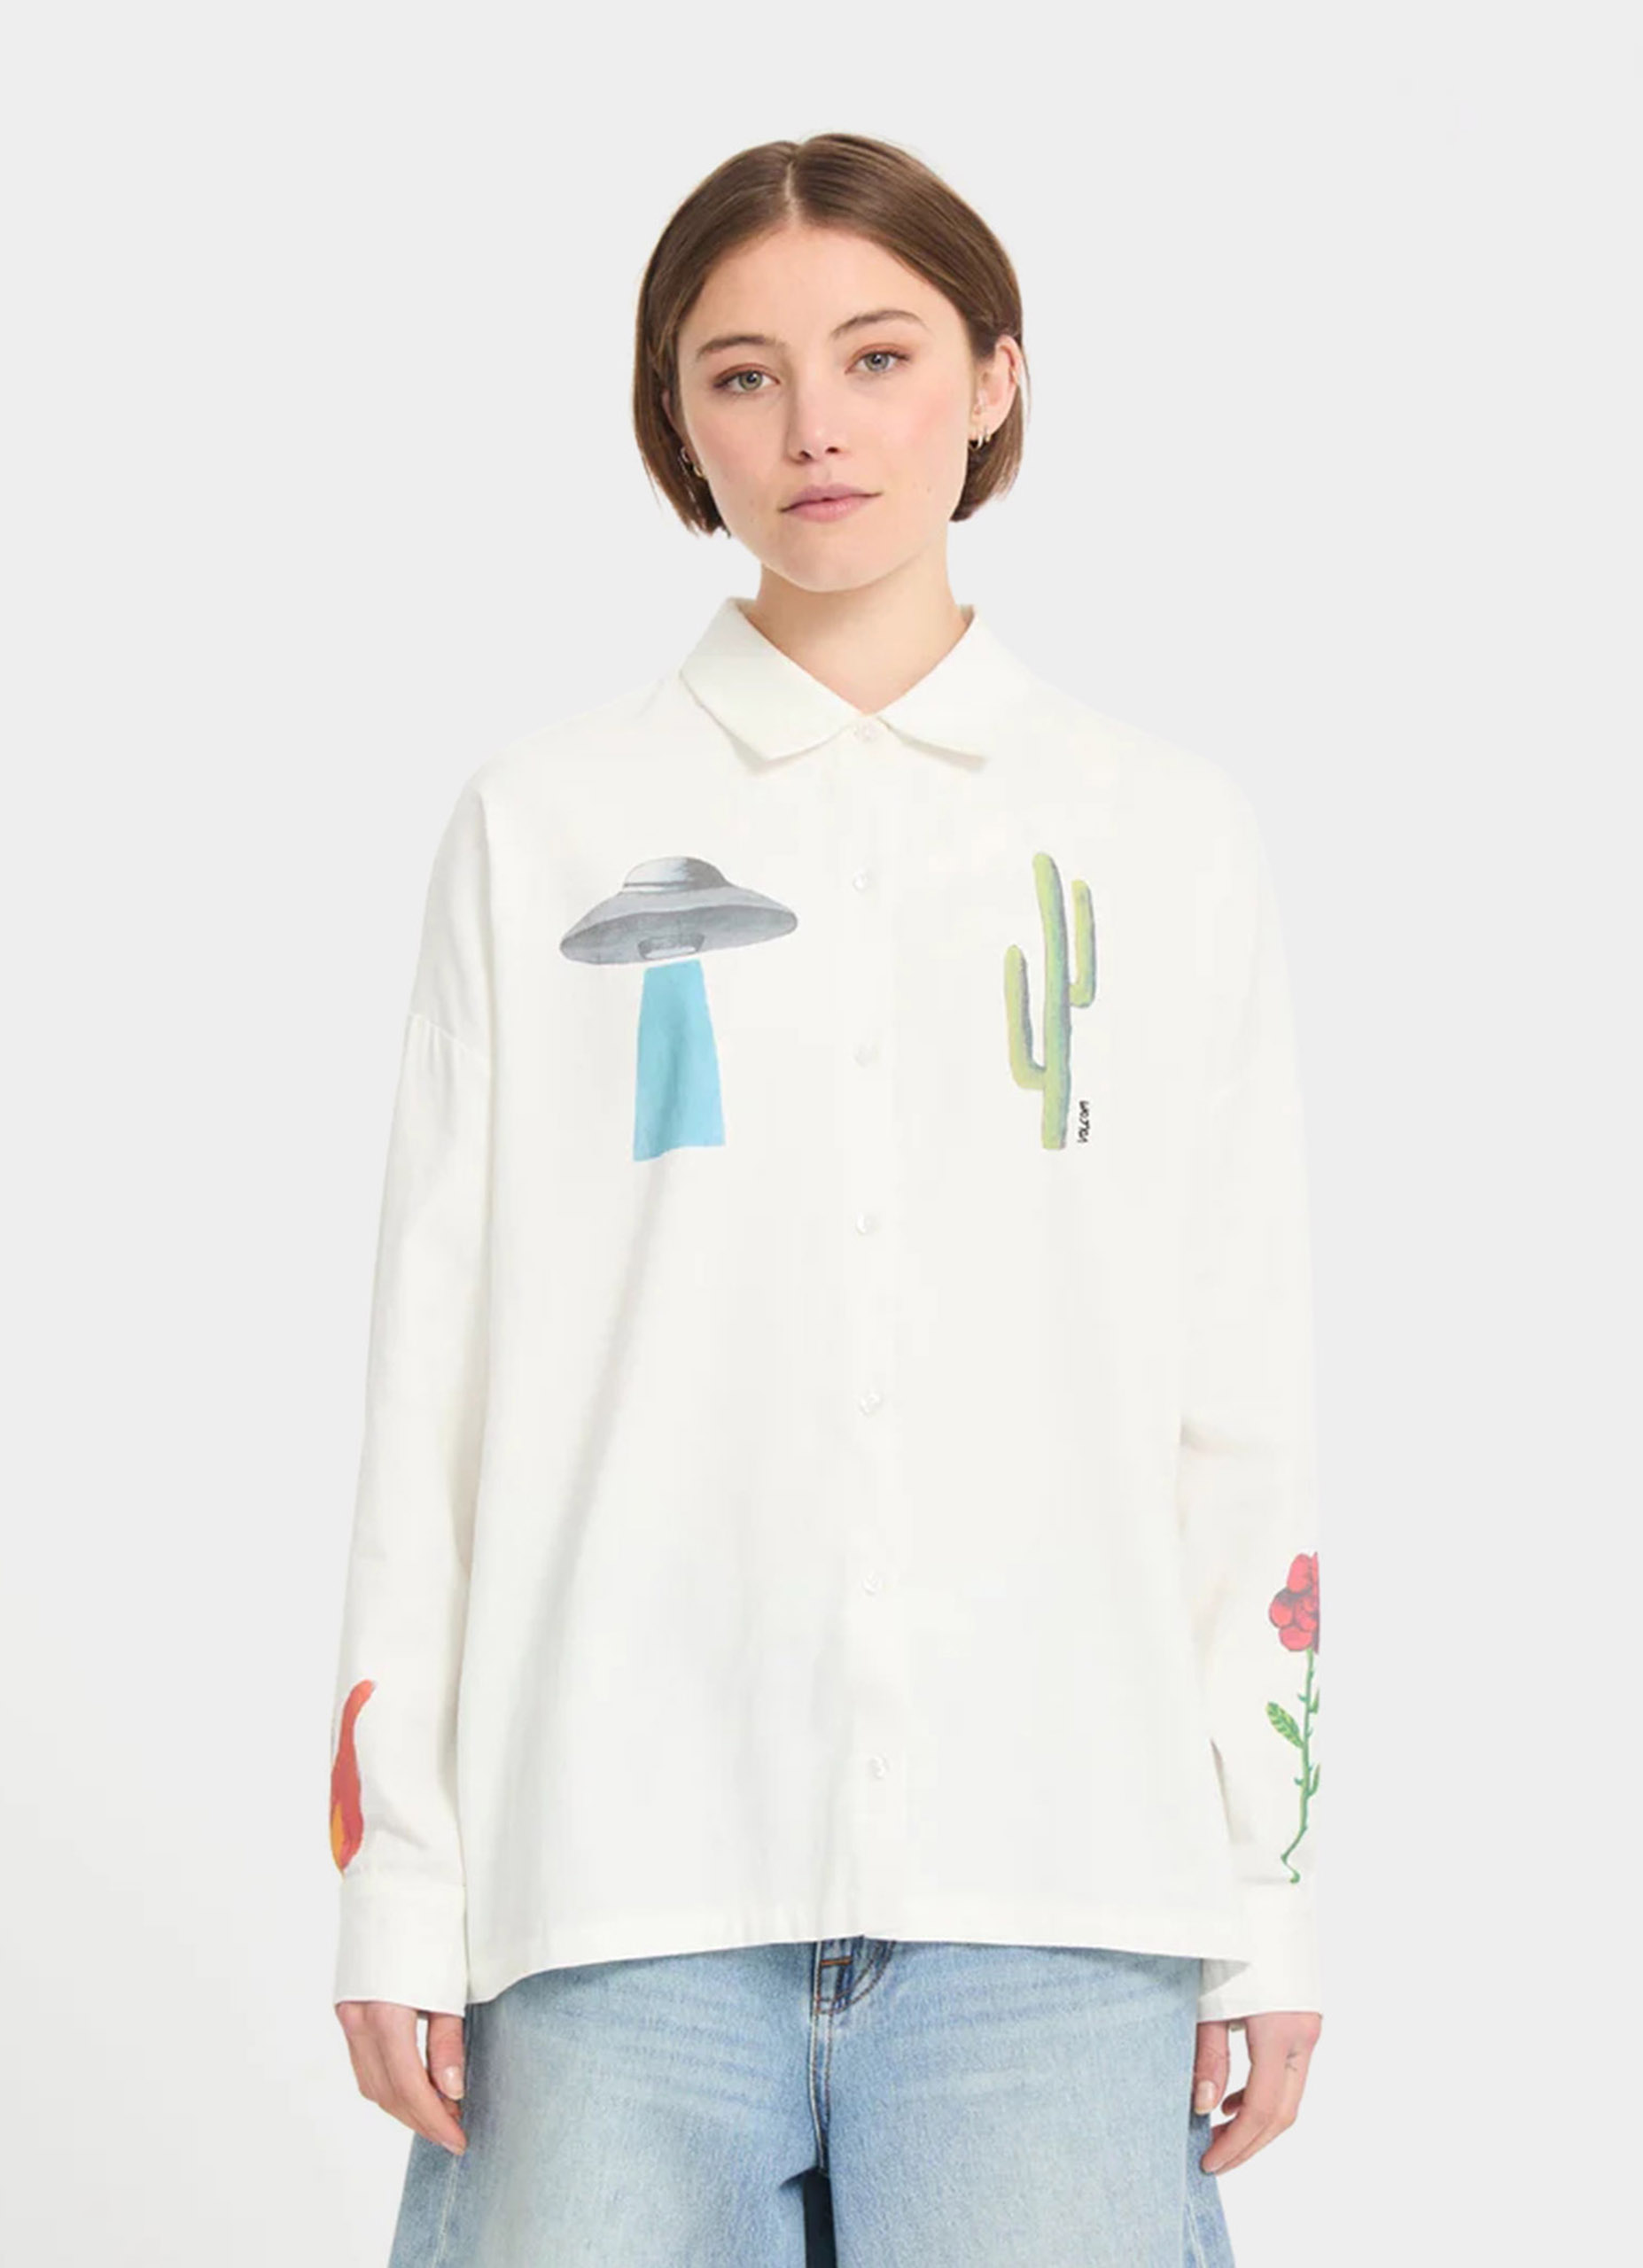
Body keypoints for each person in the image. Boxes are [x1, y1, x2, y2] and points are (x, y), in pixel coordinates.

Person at [328, 130, 1324, 2267]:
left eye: (878, 355)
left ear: (992, 377)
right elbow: (437, 1385)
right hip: (611, 1888)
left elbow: (1235, 1392)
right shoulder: (544, 823)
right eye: (742, 373)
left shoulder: (1161, 833)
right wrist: (400, 1870)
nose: (815, 427)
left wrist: (1269, 1886)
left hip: (1060, 1888)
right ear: (676, 419)